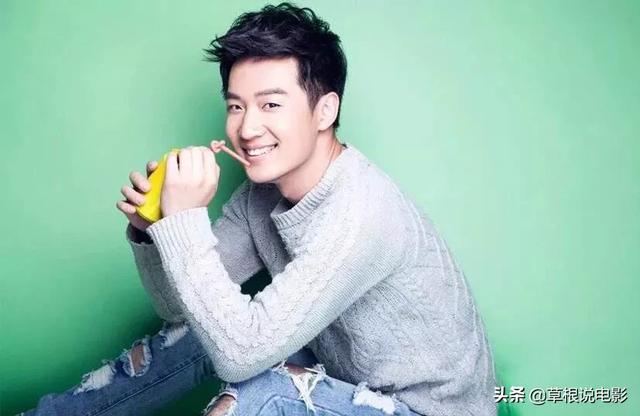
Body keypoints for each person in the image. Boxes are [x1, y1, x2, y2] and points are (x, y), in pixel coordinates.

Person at [20, 3, 497, 415]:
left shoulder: (361, 212)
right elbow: (178, 307)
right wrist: (153, 229)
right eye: (236, 106)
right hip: (349, 385)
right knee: (200, 331)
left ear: (325, 111)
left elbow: (240, 356)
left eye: (270, 105)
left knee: (262, 391)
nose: (247, 129)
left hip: (422, 410)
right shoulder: (259, 197)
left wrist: (186, 220)